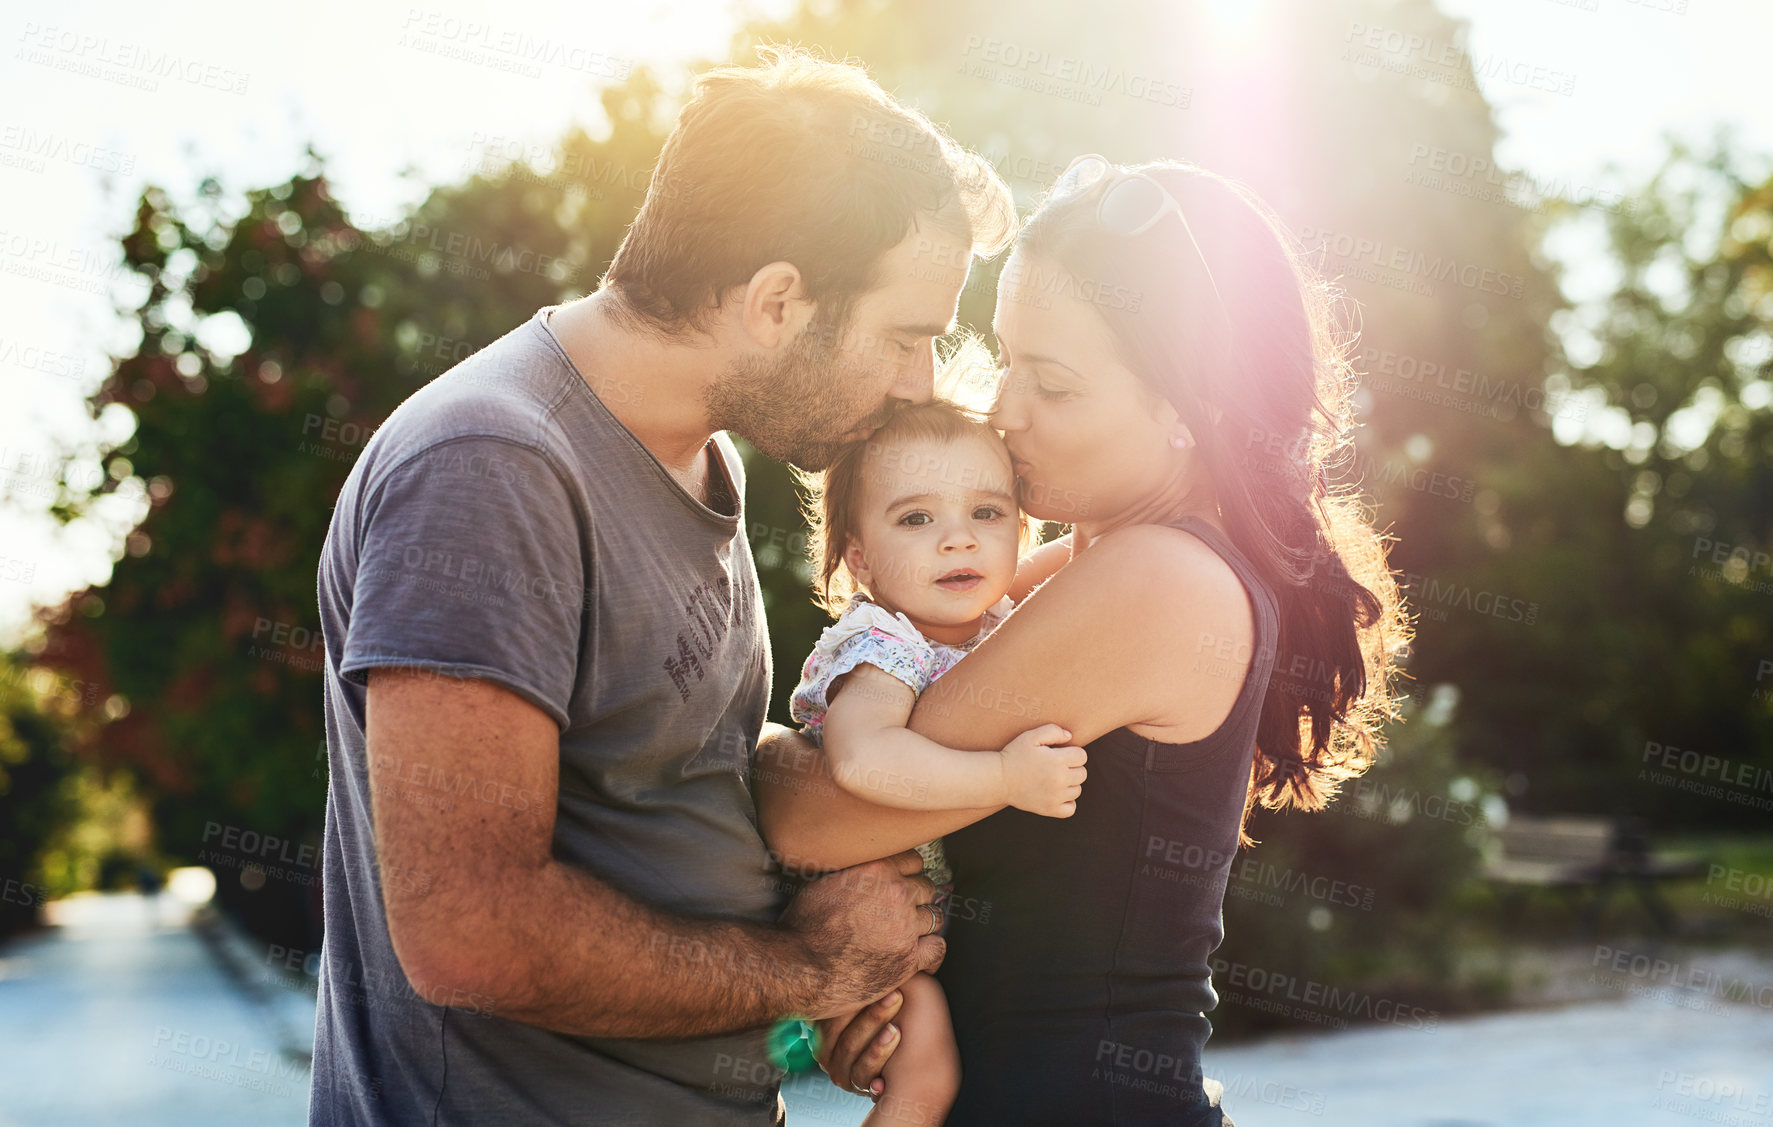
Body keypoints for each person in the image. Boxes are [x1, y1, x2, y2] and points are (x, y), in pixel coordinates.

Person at [307, 47, 1015, 1125]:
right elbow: (470, 928)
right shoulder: (491, 468)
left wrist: (817, 1002)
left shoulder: (698, 458)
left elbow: (673, 794)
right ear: (778, 301)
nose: (919, 384)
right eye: (907, 337)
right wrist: (811, 969)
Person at [756, 156, 1410, 1125]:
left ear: (1188, 411)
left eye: (1052, 385)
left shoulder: (1157, 582)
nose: (1005, 409)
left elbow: (814, 813)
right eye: (1006, 358)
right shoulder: (1091, 565)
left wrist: (765, 753)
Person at [787, 394, 1089, 1125]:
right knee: (926, 1069)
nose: (958, 540)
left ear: (1020, 529)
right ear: (858, 556)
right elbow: (862, 759)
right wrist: (1005, 778)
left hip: (930, 913)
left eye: (987, 514)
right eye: (916, 518)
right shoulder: (884, 646)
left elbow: (1091, 560)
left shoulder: (981, 620)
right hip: (854, 914)